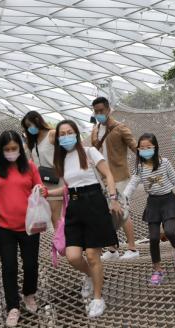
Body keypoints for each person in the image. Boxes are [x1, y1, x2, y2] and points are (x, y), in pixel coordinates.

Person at [47, 120, 123, 318]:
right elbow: (68, 187)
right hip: (73, 206)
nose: (65, 136)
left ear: (76, 133)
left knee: (91, 255)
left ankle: (98, 299)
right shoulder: (61, 159)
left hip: (94, 203)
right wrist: (46, 192)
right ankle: (91, 276)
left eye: (69, 132)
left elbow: (108, 174)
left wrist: (114, 199)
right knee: (72, 256)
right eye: (62, 134)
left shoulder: (89, 152)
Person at [0, 130, 47, 327]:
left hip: (29, 226)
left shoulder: (29, 166)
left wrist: (41, 190)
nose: (11, 152)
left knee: (31, 264)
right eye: (7, 149)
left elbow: (42, 188)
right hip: (3, 226)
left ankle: (29, 294)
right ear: (1, 150)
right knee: (9, 266)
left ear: (21, 148)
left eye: (14, 148)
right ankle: (12, 307)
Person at [123, 133, 175, 285]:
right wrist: (124, 198)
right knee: (154, 238)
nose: (145, 150)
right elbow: (132, 184)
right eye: (142, 148)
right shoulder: (140, 168)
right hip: (153, 204)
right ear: (138, 150)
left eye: (148, 147)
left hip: (168, 201)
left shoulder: (164, 163)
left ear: (155, 148)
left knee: (169, 231)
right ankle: (157, 270)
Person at [90, 96, 140, 260]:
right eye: (96, 111)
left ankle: (132, 248)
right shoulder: (96, 130)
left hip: (119, 177)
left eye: (101, 111)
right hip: (103, 179)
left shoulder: (119, 128)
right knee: (108, 214)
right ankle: (112, 249)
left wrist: (148, 161)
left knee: (122, 211)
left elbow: (134, 146)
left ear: (108, 109)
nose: (98, 114)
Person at [21, 111, 63, 228]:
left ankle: (61, 245)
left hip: (55, 182)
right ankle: (59, 244)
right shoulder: (32, 141)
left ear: (38, 120)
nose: (30, 129)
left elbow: (66, 151)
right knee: (44, 220)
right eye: (27, 127)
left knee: (57, 219)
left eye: (30, 125)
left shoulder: (52, 134)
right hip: (40, 184)